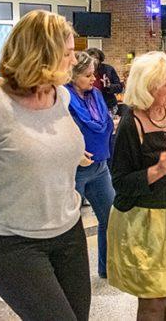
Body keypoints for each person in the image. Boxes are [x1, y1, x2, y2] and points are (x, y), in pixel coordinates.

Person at [0, 10, 91, 320]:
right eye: (67, 54)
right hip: (13, 242)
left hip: (68, 231)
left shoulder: (60, 96)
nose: (74, 61)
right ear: (41, 56)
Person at [107, 52, 166, 320]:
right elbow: (120, 182)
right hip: (145, 221)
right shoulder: (131, 124)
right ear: (148, 86)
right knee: (154, 298)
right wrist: (156, 170)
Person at [65, 52, 115, 278]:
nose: (93, 79)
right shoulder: (63, 96)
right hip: (75, 170)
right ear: (73, 76)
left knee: (111, 217)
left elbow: (103, 121)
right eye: (87, 75)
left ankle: (107, 268)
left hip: (99, 165)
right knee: (69, 228)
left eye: (93, 73)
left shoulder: (95, 93)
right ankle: (72, 276)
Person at [87, 47, 123, 114]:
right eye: (90, 58)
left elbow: (119, 87)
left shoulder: (108, 69)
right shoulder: (85, 71)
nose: (93, 60)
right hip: (91, 107)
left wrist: (109, 86)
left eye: (96, 58)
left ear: (100, 60)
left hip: (108, 106)